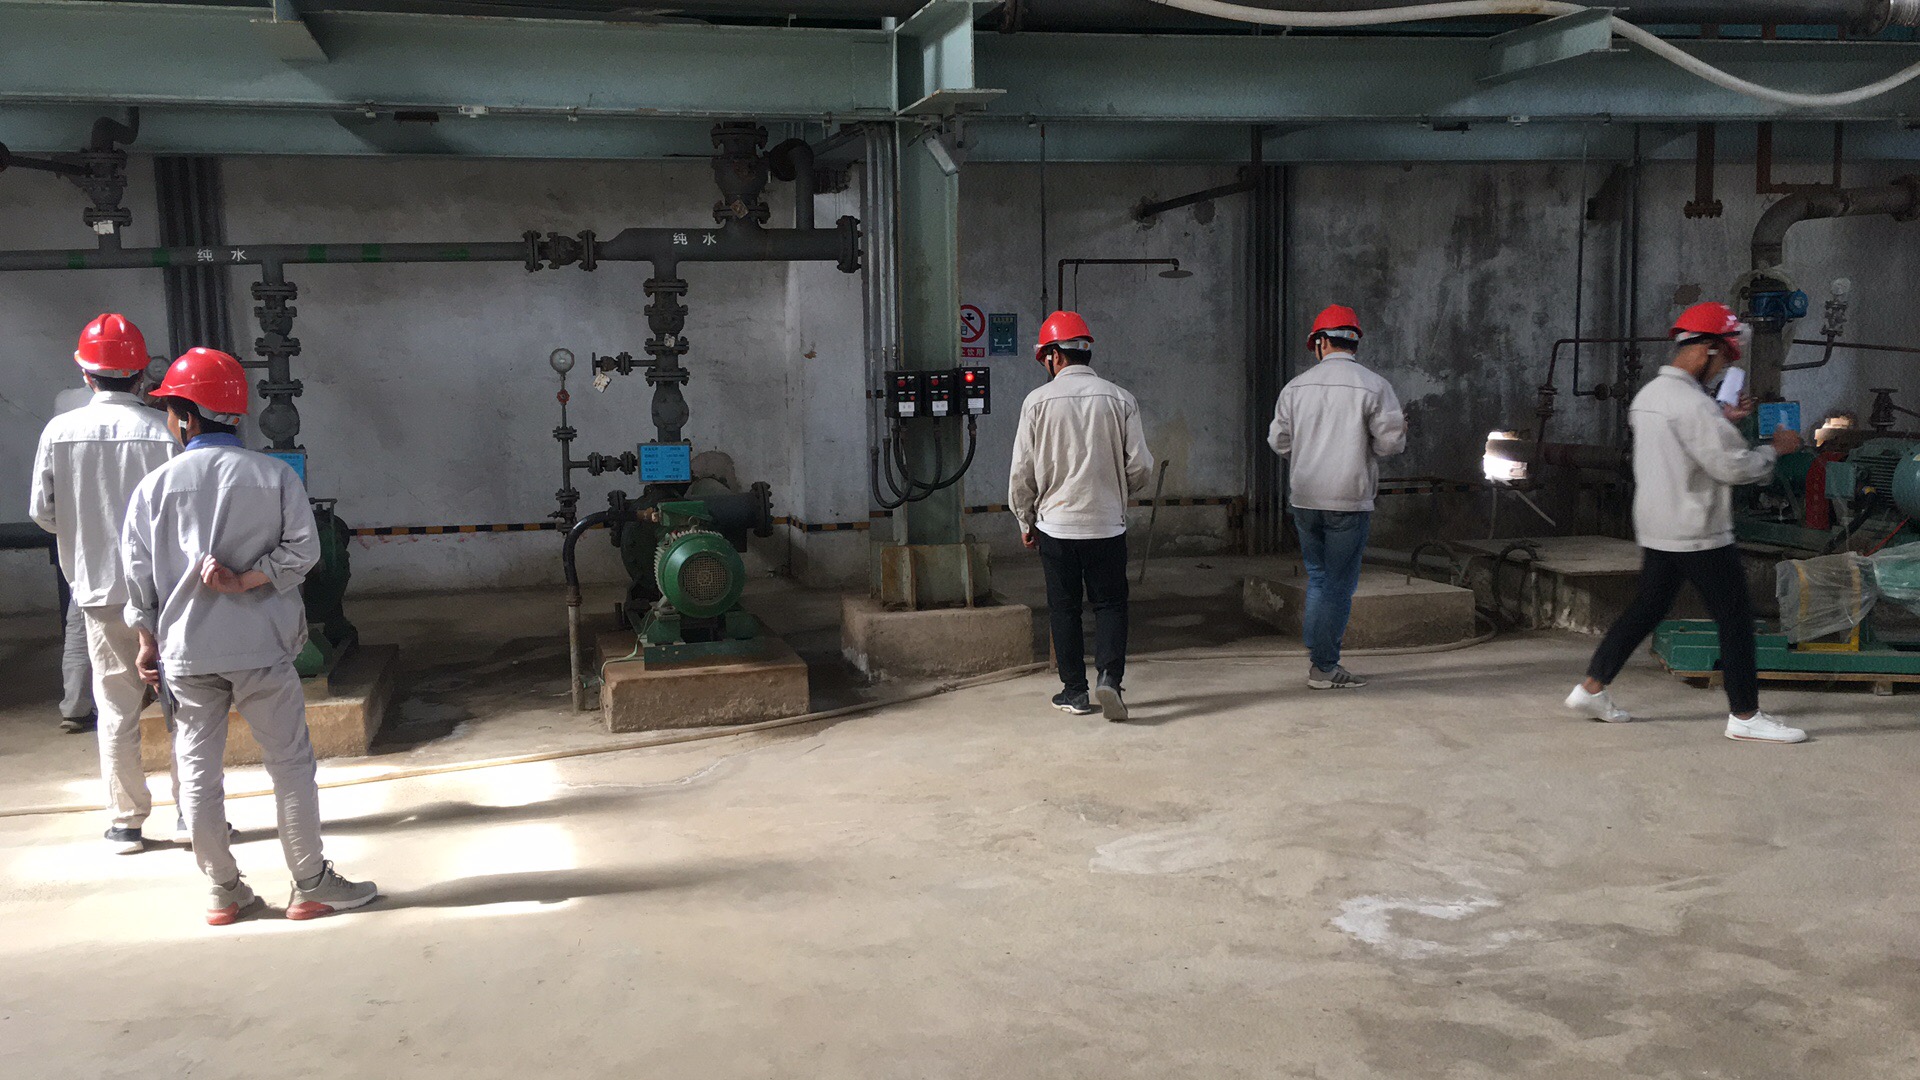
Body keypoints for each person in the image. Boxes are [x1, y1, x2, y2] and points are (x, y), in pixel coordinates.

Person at [122, 347, 377, 924]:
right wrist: (246, 581)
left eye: (171, 410)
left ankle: (223, 890)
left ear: (188, 417)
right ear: (234, 414)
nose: (170, 420)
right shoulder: (273, 475)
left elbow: (137, 578)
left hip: (187, 653)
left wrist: (146, 643)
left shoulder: (154, 488)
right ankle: (310, 883)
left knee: (198, 770)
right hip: (262, 645)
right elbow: (304, 553)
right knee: (289, 763)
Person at [1565, 302, 1806, 743]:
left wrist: (1722, 420)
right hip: (1698, 530)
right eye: (1723, 359)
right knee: (1735, 619)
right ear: (1707, 349)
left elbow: (1682, 447)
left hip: (1659, 524)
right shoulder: (1695, 406)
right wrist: (1776, 449)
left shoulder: (1650, 396)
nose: (1722, 370)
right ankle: (1745, 715)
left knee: (1648, 608)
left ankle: (1591, 689)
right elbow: (1732, 467)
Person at [30, 315, 178, 852]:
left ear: (86, 375)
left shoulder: (59, 432)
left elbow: (43, 512)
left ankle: (126, 823)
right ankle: (194, 814)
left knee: (115, 707)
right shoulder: (163, 432)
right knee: (185, 704)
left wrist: (84, 534)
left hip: (97, 590)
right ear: (141, 376)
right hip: (166, 594)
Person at [1009, 311, 1154, 722]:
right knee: (1110, 605)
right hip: (1106, 524)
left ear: (1054, 355)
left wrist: (1025, 520)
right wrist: (1118, 493)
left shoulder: (1036, 402)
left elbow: (1022, 472)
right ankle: (1110, 679)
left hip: (1055, 526)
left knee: (1064, 608)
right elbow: (1141, 465)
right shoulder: (1120, 399)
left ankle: (1074, 692)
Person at [1266, 304, 1408, 689]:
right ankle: (1324, 667)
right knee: (1339, 585)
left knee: (1319, 578)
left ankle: (1320, 657)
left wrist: (1309, 453)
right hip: (1348, 497)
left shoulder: (1296, 387)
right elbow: (1391, 444)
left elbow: (1278, 440)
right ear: (1354, 342)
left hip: (1305, 497)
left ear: (1321, 342)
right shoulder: (1374, 385)